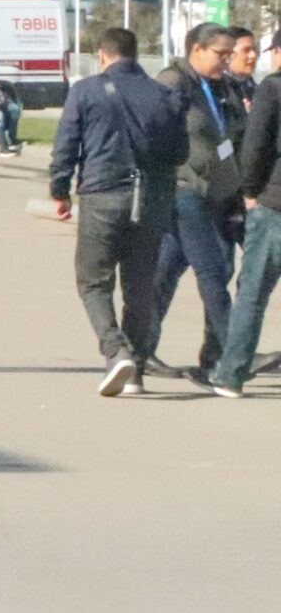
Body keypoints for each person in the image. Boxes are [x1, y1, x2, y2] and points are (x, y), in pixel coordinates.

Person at [50, 25, 188, 396]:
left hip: (102, 194)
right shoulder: (164, 94)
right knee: (139, 285)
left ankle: (115, 351)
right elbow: (180, 154)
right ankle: (137, 371)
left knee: (94, 280)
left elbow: (66, 144)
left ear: (102, 54)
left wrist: (59, 189)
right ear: (136, 54)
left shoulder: (86, 90)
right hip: (152, 198)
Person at [148, 22, 249, 383]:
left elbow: (234, 129)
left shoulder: (220, 87)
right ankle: (231, 355)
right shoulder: (173, 83)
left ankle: (136, 349)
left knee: (164, 272)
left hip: (217, 195)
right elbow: (153, 132)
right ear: (196, 50)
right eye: (221, 54)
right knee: (213, 273)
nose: (227, 60)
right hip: (183, 190)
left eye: (229, 54)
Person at [211, 31, 281, 395]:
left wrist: (250, 190)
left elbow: (257, 144)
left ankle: (232, 373)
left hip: (274, 202)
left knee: (253, 291)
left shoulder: (272, 88)